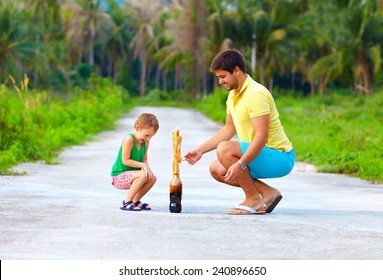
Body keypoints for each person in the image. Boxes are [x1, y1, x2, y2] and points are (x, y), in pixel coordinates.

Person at [184, 49, 295, 215]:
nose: (220, 82)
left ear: (236, 70)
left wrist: (241, 163)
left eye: (223, 77)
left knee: (225, 149)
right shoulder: (233, 95)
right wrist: (200, 150)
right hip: (261, 155)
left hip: (279, 156)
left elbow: (261, 136)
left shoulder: (256, 94)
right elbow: (228, 129)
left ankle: (253, 199)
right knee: (217, 169)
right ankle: (268, 193)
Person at [111, 113, 159, 211]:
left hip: (134, 176)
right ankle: (127, 202)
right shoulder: (129, 139)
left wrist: (147, 167)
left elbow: (145, 159)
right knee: (143, 175)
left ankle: (135, 200)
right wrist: (143, 166)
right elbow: (125, 161)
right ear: (137, 127)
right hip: (119, 176)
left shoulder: (145, 142)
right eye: (146, 135)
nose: (148, 139)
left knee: (152, 177)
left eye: (151, 137)